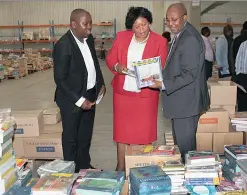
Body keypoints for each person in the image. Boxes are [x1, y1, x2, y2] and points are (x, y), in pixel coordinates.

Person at [106, 7, 168, 171]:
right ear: (131, 27)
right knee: (121, 134)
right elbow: (111, 58)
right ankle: (120, 166)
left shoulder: (160, 41)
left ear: (150, 23)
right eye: (136, 26)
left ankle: (142, 167)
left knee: (144, 135)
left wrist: (154, 76)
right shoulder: (121, 37)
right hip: (123, 95)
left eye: (144, 25)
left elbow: (162, 67)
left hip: (146, 97)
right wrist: (117, 66)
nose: (141, 30)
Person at [149, 3, 210, 160]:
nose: (170, 24)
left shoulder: (189, 38)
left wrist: (162, 84)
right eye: (168, 20)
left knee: (186, 150)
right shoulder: (182, 34)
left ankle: (191, 179)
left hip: (186, 104)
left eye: (174, 19)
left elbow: (189, 74)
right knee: (183, 147)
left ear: (185, 17)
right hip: (182, 103)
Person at [53, 9, 106, 172]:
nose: (89, 27)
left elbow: (94, 64)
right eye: (85, 24)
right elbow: (59, 79)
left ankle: (84, 166)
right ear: (73, 24)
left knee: (85, 135)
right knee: (71, 138)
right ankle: (72, 171)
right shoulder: (63, 45)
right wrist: (79, 100)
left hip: (89, 95)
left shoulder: (88, 39)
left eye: (90, 23)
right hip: (72, 99)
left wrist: (101, 82)